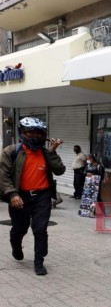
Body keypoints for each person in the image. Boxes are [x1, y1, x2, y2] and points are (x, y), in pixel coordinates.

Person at [0, 117, 66, 276]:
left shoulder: (45, 153)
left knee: (40, 230)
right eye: (30, 132)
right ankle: (16, 245)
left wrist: (52, 151)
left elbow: (60, 170)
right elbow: (3, 175)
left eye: (39, 133)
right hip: (19, 196)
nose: (35, 136)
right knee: (19, 229)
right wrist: (12, 194)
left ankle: (39, 261)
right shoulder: (11, 151)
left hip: (42, 197)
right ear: (22, 133)